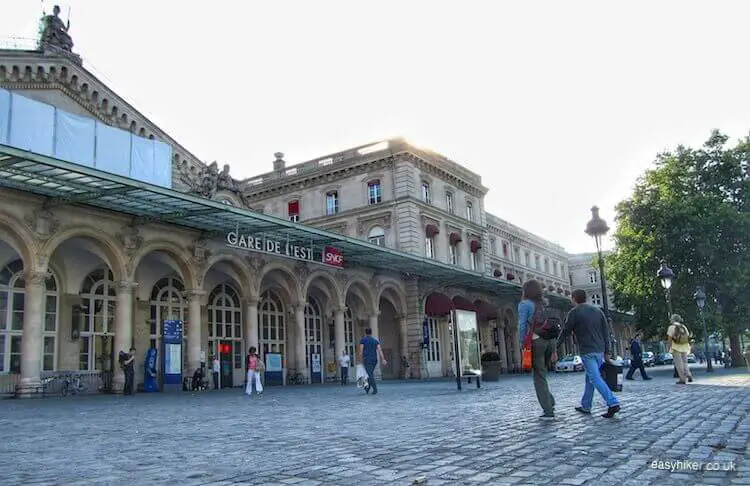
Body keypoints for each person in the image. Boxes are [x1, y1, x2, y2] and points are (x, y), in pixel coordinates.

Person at [556, 289, 620, 418]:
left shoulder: (574, 312)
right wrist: (608, 351)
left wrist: (555, 346)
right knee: (590, 378)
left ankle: (613, 402)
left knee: (595, 378)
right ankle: (586, 406)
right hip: (600, 351)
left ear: (574, 298)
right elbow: (606, 332)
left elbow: (565, 331)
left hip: (587, 351)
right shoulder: (598, 311)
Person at [518, 279, 556, 419]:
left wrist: (522, 343)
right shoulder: (544, 304)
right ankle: (549, 400)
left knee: (539, 376)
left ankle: (548, 410)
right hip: (549, 341)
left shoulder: (524, 304)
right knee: (542, 373)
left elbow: (522, 325)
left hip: (536, 341)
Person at [358, 328, 387, 395]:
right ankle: (367, 388)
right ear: (371, 333)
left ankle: (375, 389)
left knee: (369, 375)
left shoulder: (363, 340)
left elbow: (361, 351)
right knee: (369, 374)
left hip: (367, 359)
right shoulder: (375, 341)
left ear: (365, 333)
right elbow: (380, 350)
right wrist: (383, 359)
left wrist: (360, 360)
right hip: (374, 360)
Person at [667, 314, 693, 384]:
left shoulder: (671, 327)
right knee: (685, 362)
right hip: (684, 346)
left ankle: (682, 379)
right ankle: (688, 374)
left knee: (679, 364)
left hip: (676, 347)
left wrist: (668, 348)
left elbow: (669, 339)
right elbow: (687, 336)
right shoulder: (683, 327)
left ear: (673, 319)